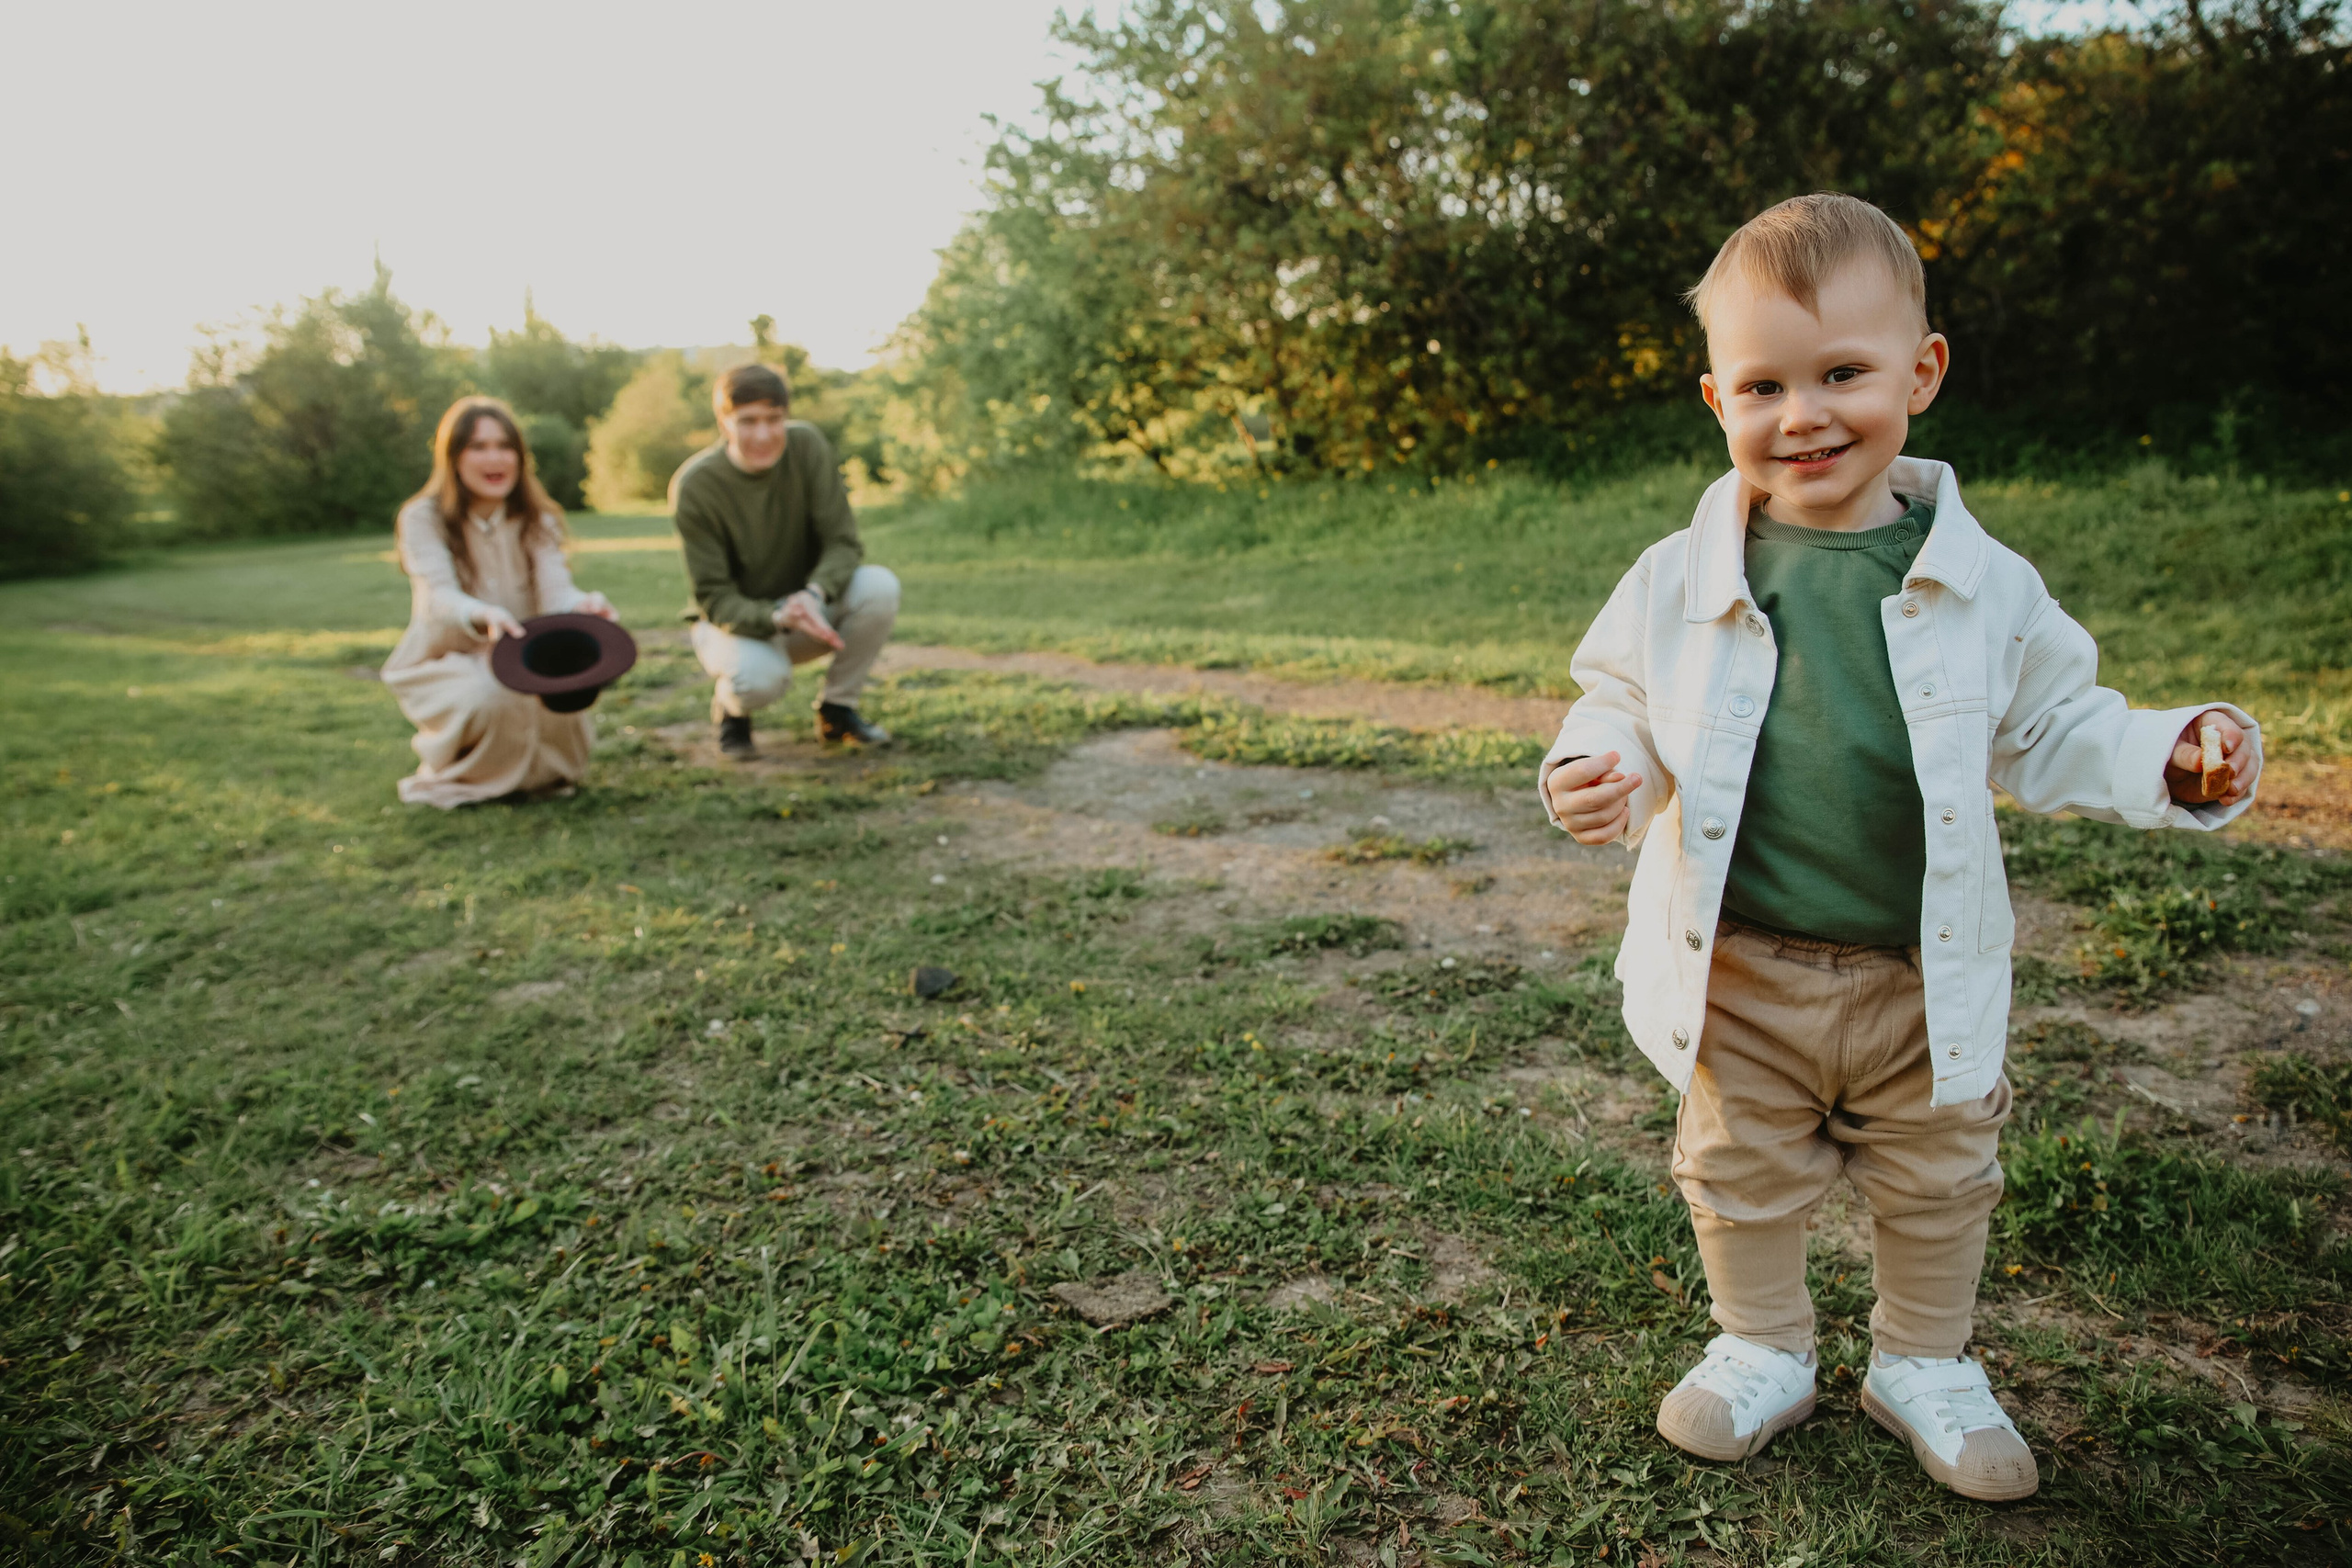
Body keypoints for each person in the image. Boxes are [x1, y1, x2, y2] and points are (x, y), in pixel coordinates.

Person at [1538, 193, 2259, 1502]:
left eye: (1842, 373)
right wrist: (1608, 763)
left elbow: (2054, 724)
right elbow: (1622, 694)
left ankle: (1922, 1359)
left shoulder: (1985, 582)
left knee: (1940, 1173)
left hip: (1919, 972)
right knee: (1736, 1167)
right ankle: (1763, 1340)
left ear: (1919, 373)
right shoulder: (1676, 572)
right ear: (1716, 401)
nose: (1802, 413)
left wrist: (2162, 750)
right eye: (1763, 383)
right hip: (1742, 961)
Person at [382, 396, 620, 807]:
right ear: (453, 457)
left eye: (504, 445)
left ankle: (542, 776)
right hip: (449, 658)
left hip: (524, 656)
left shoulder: (537, 518)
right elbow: (437, 595)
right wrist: (480, 613)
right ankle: (477, 779)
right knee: (492, 694)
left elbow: (557, 592)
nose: (495, 458)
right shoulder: (422, 517)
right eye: (478, 447)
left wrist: (584, 606)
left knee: (548, 691)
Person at [672, 363, 900, 757]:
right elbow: (714, 598)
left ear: (786, 417)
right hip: (735, 625)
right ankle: (731, 710)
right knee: (758, 682)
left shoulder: (807, 447)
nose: (763, 434)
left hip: (807, 609)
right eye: (748, 421)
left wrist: (813, 594)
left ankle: (837, 710)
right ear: (724, 421)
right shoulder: (696, 486)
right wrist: (778, 615)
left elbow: (843, 542)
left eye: (773, 419)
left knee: (879, 586)